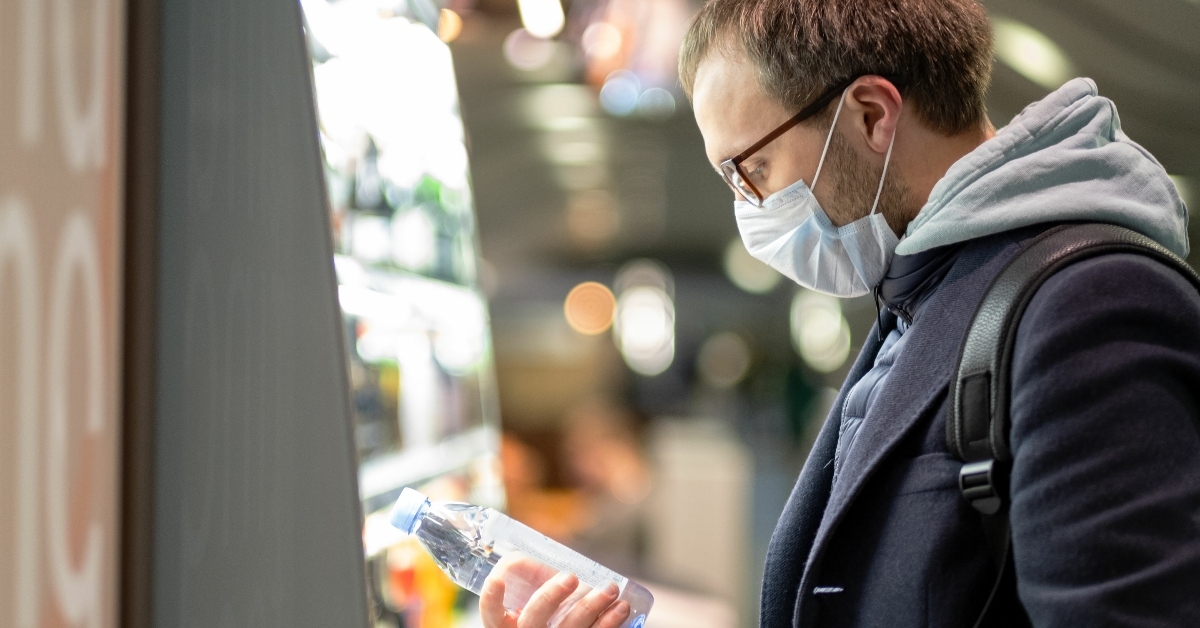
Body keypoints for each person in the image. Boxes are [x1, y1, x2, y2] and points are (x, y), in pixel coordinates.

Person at [480, 0, 1200, 626]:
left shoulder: (1089, 304)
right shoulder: (923, 289)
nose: (749, 210)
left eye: (751, 169)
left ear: (871, 115)